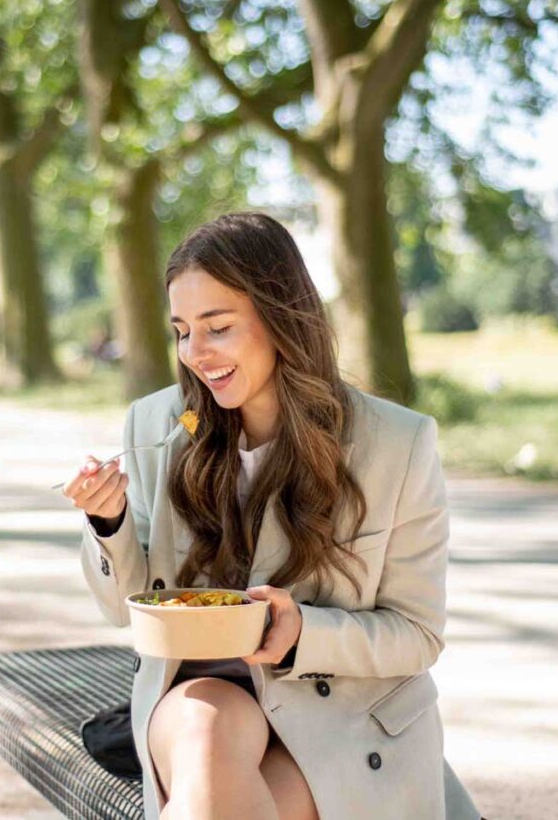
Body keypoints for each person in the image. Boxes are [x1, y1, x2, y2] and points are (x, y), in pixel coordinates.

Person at [63, 212, 480, 820]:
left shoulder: (397, 443)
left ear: (280, 316)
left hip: (338, 715)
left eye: (218, 327)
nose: (195, 354)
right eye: (181, 331)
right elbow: (123, 603)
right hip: (200, 695)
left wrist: (302, 633)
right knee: (205, 736)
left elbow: (417, 634)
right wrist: (109, 521)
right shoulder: (157, 424)